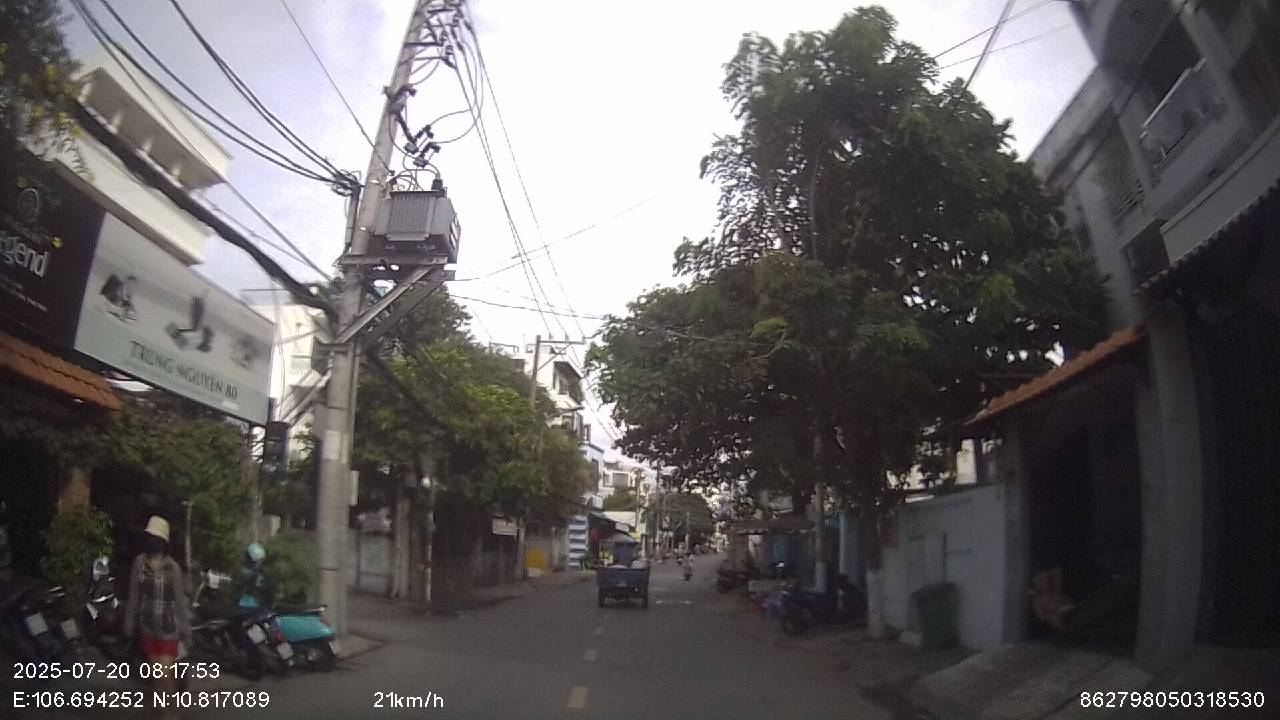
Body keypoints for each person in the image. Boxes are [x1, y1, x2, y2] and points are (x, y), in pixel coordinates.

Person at [123, 516, 192, 720]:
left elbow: (179, 603)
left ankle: (172, 713)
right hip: (148, 627)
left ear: (162, 542)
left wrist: (186, 633)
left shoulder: (173, 568)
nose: (151, 541)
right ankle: (165, 713)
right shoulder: (139, 563)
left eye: (155, 537)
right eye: (149, 537)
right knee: (157, 676)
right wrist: (129, 624)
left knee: (165, 674)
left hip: (169, 629)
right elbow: (134, 596)